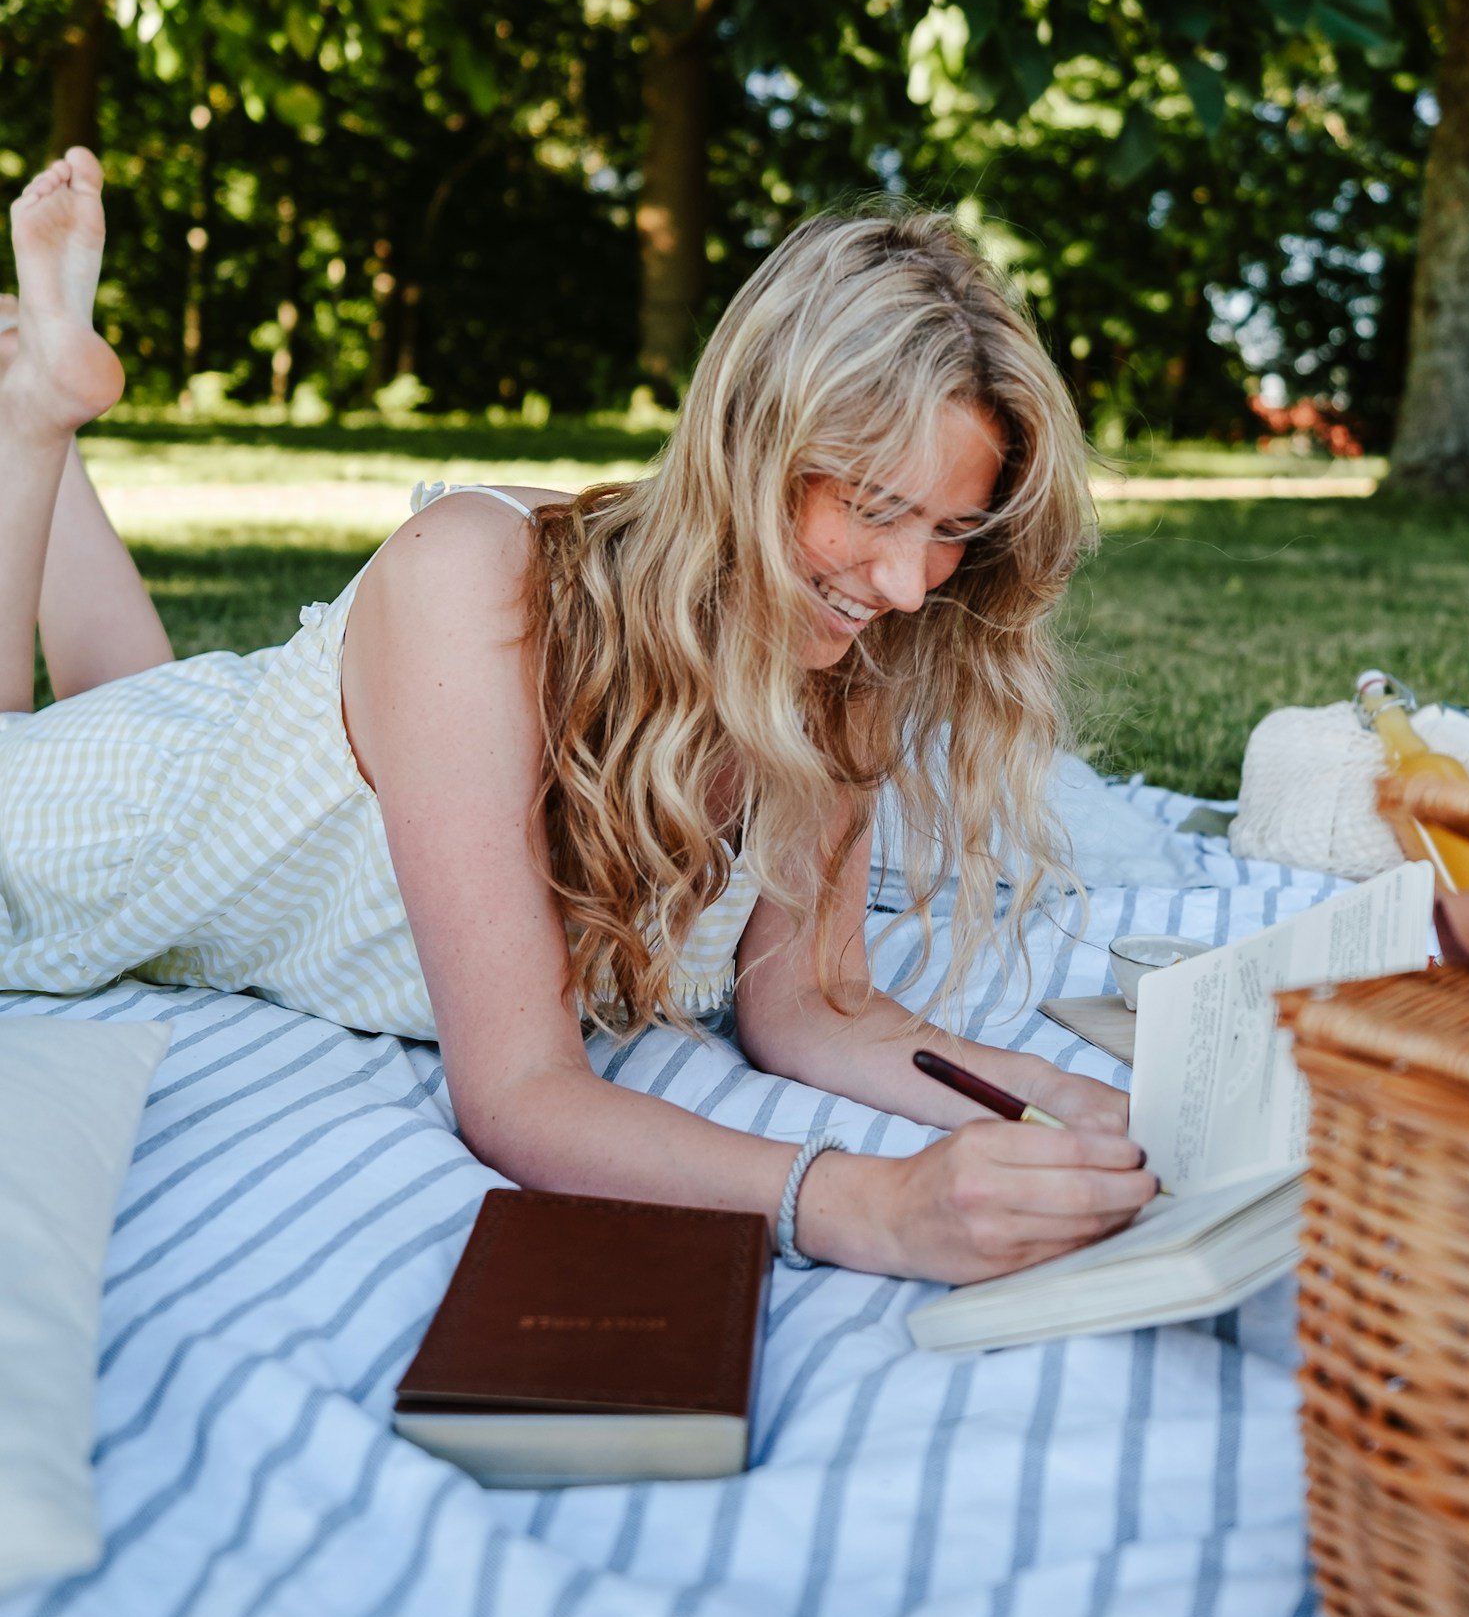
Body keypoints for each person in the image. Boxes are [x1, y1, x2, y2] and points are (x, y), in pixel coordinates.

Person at [0, 151, 1154, 1282]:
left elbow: (807, 1005)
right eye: (874, 507)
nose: (907, 583)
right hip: (108, 820)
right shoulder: (480, 578)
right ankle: (33, 415)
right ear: (749, 442)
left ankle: (46, 418)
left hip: (226, 811)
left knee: (154, 721)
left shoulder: (843, 650)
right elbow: (517, 1094)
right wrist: (869, 1203)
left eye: (950, 530)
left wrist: (1084, 1101)